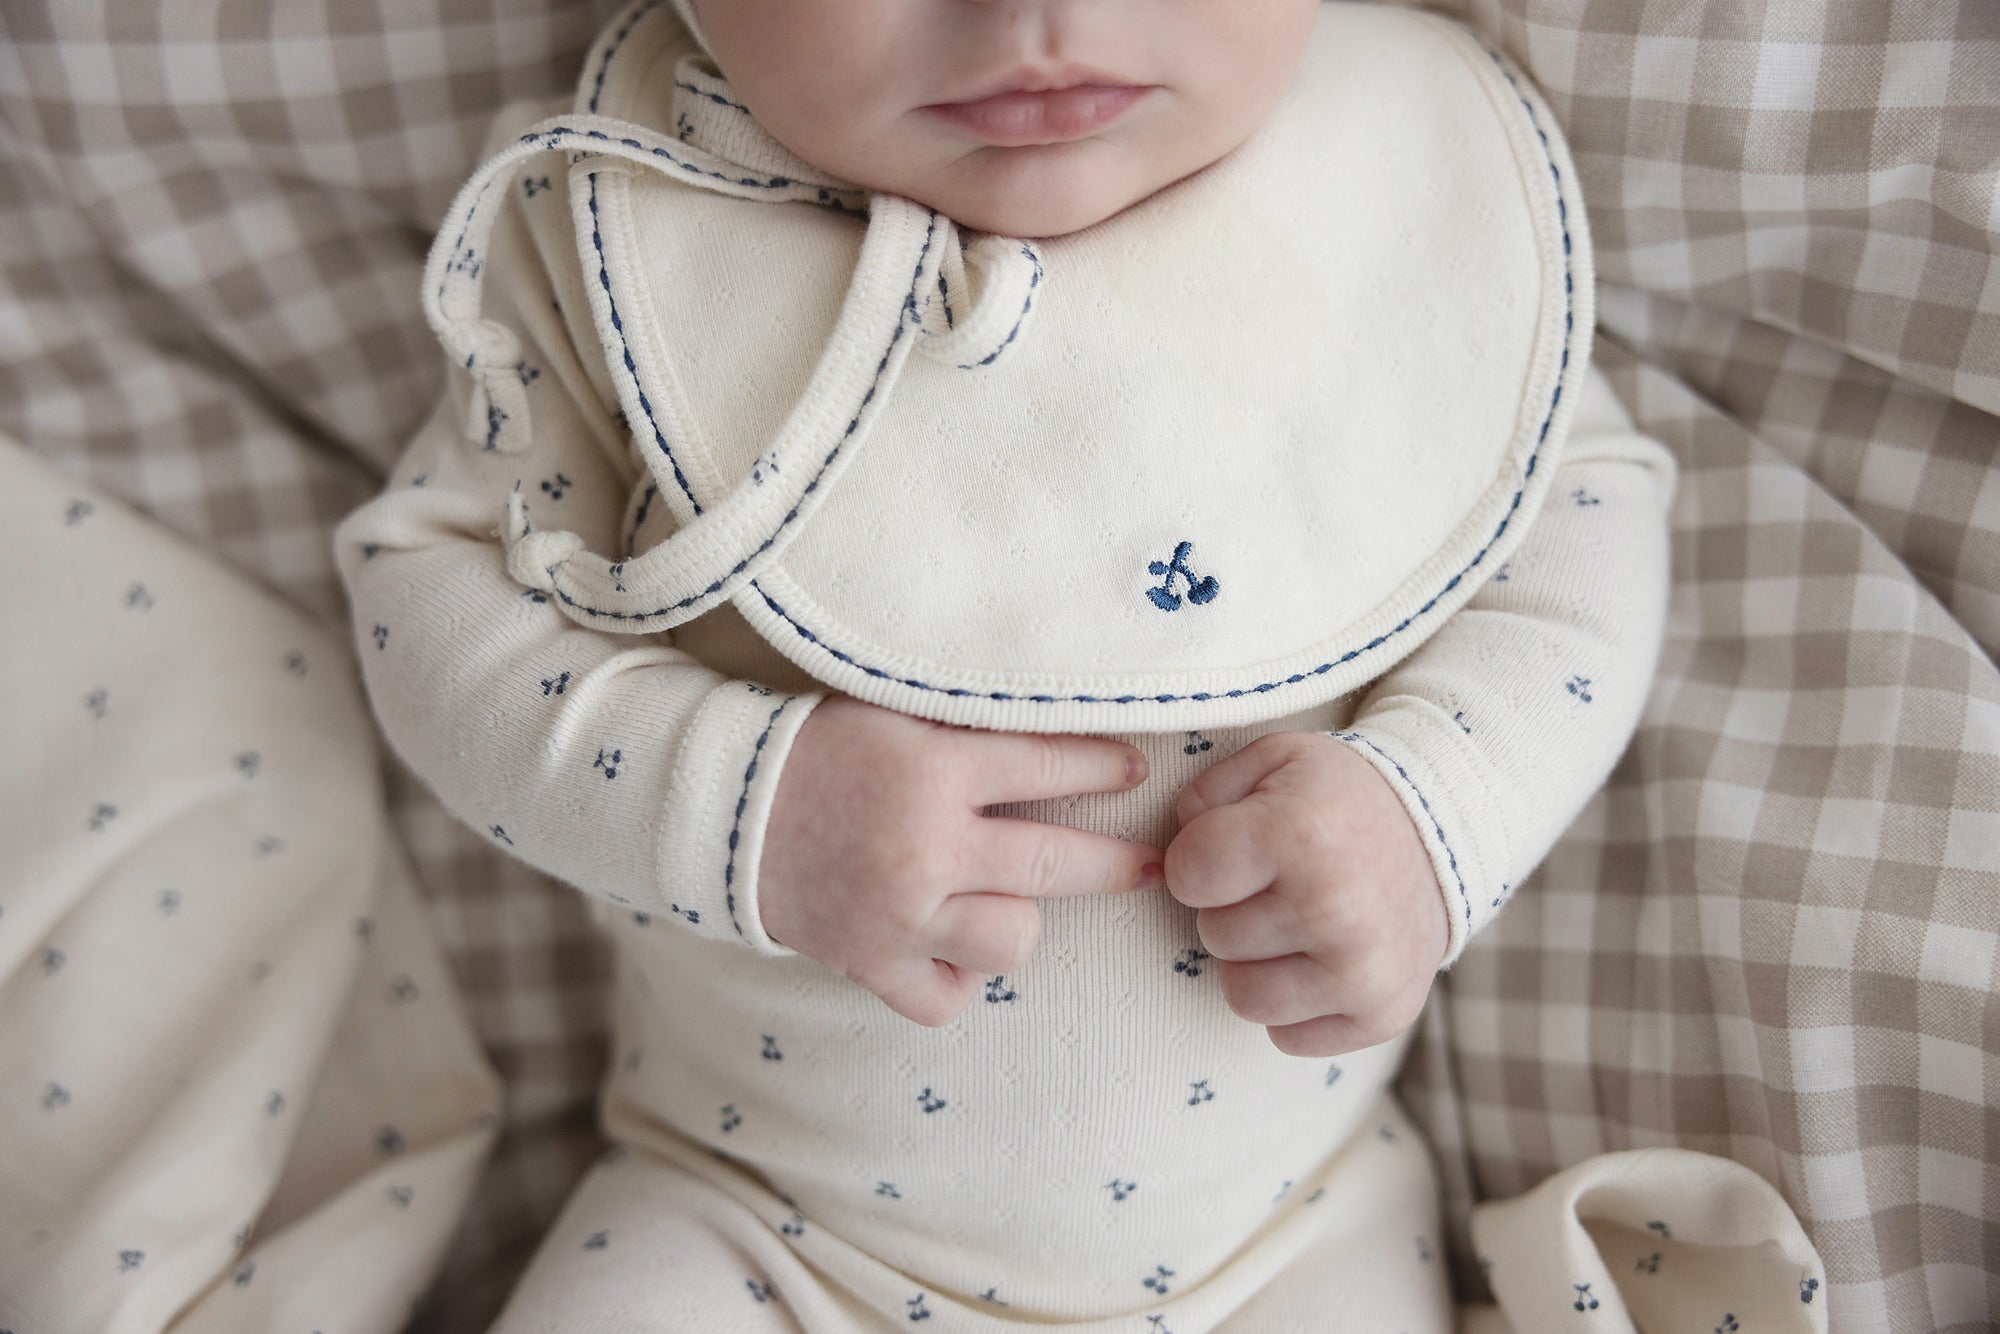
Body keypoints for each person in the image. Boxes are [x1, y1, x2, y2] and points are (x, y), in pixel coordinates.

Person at [334, 0, 1676, 1326]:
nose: (1036, 18)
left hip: (1288, 1243)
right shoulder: (620, 218)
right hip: (752, 1227)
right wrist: (747, 802)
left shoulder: (1397, 183)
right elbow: (428, 600)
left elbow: (1581, 521)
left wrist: (1434, 814)